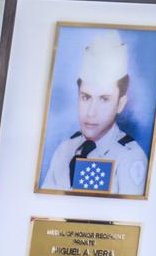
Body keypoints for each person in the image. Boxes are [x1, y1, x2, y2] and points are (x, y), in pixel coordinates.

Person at [41, 30, 149, 196]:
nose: (91, 113)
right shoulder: (65, 150)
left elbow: (128, 219)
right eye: (85, 97)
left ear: (120, 104)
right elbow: (43, 208)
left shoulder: (130, 158)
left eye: (104, 99)